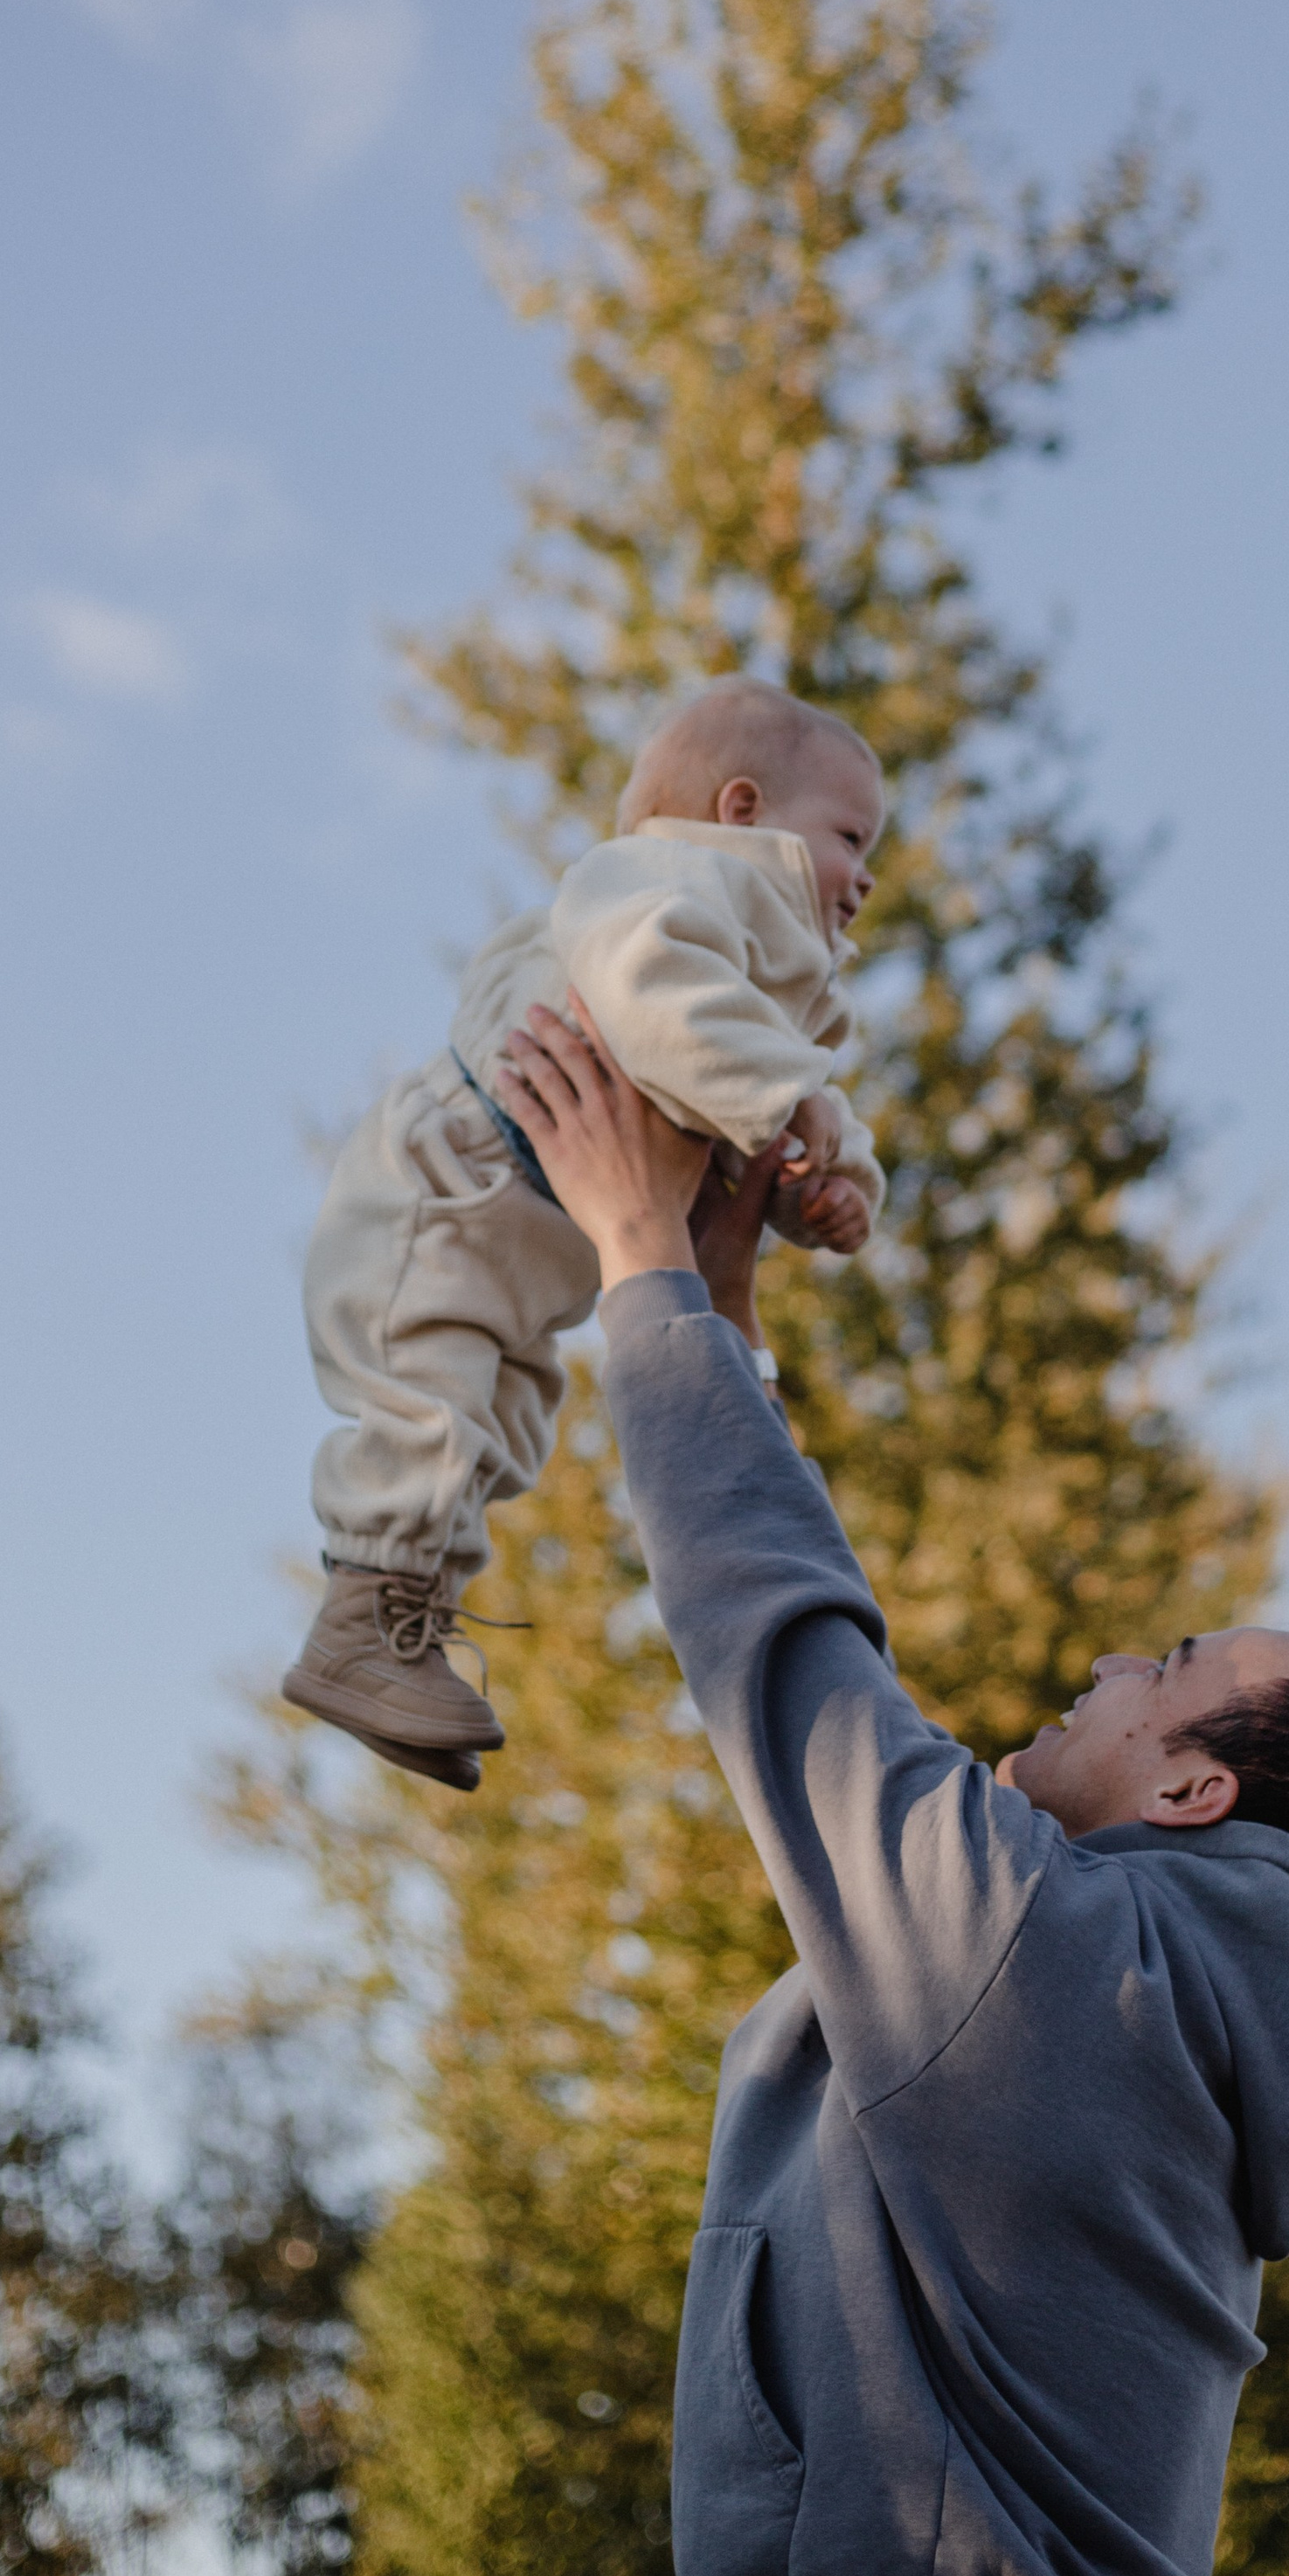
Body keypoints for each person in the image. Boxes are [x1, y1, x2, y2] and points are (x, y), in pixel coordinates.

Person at [492, 994, 1289, 2576]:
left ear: (1189, 1791)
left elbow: (783, 1644)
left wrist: (641, 1262)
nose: (1104, 1664)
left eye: (1162, 1670)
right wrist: (724, 1311)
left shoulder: (1062, 1962)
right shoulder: (1181, 2011)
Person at [285, 684, 887, 1788]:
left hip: (536, 1233)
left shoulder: (779, 993)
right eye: (853, 838)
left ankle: (393, 1641)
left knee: (501, 1423)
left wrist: (829, 1180)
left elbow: (775, 1089)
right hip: (448, 1190)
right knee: (431, 1411)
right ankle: (364, 1630)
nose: (870, 877)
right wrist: (787, 1107)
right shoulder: (657, 883)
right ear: (743, 809)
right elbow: (655, 996)